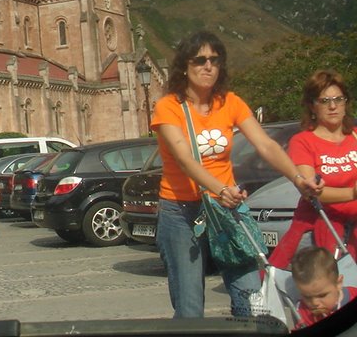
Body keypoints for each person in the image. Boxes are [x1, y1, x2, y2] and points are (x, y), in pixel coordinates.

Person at [152, 30, 321, 318]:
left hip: (227, 209)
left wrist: (298, 178)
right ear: (184, 66)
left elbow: (266, 145)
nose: (208, 66)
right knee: (190, 306)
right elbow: (185, 159)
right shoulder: (168, 107)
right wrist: (221, 188)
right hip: (181, 212)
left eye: (215, 60)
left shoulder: (229, 102)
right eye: (200, 60)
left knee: (250, 297)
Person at [270, 69, 357, 269]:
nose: (333, 106)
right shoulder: (303, 141)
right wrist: (352, 193)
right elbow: (312, 191)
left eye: (338, 99)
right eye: (324, 101)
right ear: (312, 106)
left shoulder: (355, 136)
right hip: (323, 230)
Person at [291, 245, 357, 330]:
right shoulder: (302, 312)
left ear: (338, 283)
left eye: (322, 295)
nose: (314, 303)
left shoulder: (353, 296)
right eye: (307, 297)